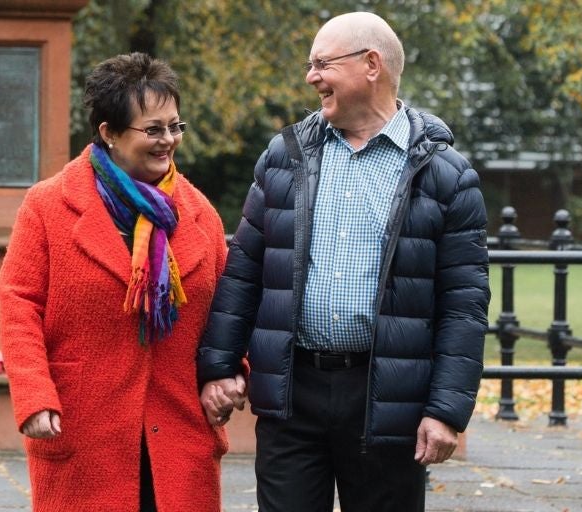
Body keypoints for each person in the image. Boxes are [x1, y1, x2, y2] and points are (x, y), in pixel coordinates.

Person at [196, 11, 490, 512]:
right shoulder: (282, 157)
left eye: (322, 64)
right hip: (292, 393)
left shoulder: (447, 176)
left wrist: (446, 411)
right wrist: (218, 367)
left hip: (388, 400)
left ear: (371, 64)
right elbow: (244, 268)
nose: (311, 77)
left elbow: (464, 305)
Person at [0, 52, 230, 511]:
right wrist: (34, 396)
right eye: (153, 129)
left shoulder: (197, 211)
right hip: (84, 428)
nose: (169, 141)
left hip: (179, 429)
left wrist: (227, 372)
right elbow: (18, 303)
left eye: (174, 126)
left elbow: (229, 307)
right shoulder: (47, 207)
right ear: (108, 133)